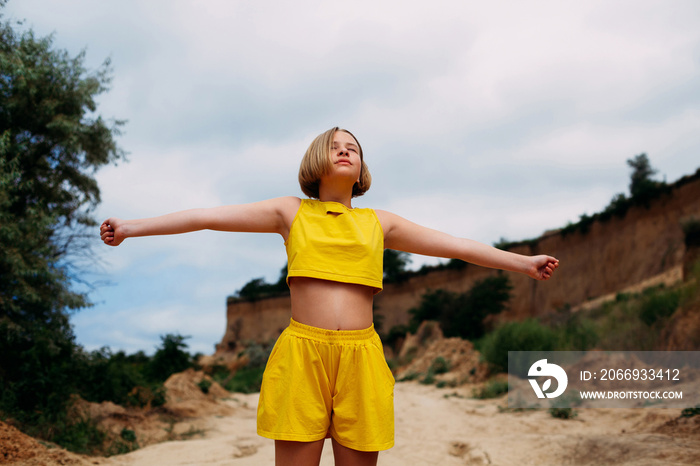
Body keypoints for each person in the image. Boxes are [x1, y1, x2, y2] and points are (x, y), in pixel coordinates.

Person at [100, 127, 559, 466]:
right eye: (335, 146)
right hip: (303, 354)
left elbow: (456, 246)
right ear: (316, 160)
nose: (345, 152)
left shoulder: (380, 222)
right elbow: (207, 216)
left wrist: (523, 262)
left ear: (361, 168)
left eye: (353, 149)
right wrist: (131, 228)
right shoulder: (289, 211)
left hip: (361, 357)